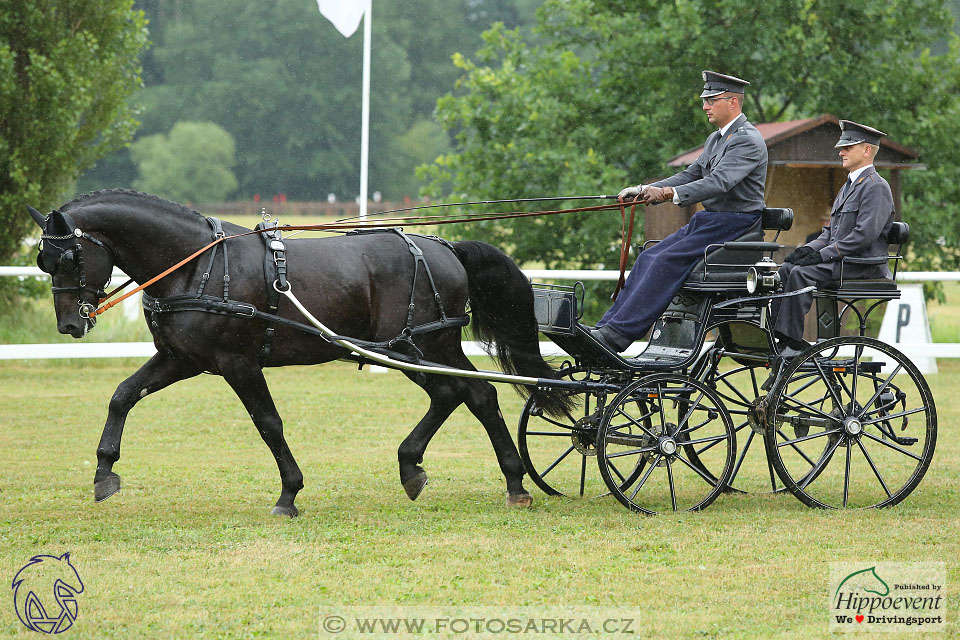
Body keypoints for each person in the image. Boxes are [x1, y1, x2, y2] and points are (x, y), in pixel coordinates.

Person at [590, 70, 768, 352]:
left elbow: (718, 182)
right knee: (649, 256)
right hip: (711, 221)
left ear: (733, 102)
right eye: (705, 100)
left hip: (735, 225)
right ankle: (605, 328)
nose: (704, 106)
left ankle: (617, 336)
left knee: (664, 262)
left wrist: (669, 194)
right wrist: (643, 189)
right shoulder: (716, 139)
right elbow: (691, 174)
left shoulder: (747, 140)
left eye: (712, 100)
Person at [772, 120, 895, 356]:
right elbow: (829, 233)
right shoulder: (848, 186)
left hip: (862, 265)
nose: (841, 152)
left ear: (867, 150)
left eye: (848, 147)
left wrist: (820, 255)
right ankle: (777, 336)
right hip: (843, 262)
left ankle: (791, 342)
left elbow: (864, 236)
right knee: (788, 267)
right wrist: (806, 251)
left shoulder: (876, 187)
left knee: (800, 274)